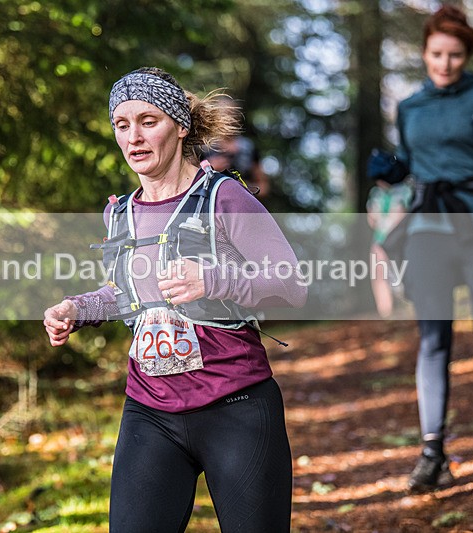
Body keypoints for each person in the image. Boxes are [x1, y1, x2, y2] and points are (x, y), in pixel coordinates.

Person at [43, 67, 307, 532]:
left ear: (180, 125)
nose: (134, 137)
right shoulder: (119, 212)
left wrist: (214, 279)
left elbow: (291, 284)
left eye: (148, 121)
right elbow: (126, 294)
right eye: (122, 125)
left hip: (236, 405)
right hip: (150, 410)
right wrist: (76, 309)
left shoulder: (224, 198)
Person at [368, 6, 473, 492]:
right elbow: (410, 162)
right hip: (428, 229)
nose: (444, 64)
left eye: (455, 55)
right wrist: (393, 169)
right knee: (433, 339)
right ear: (424, 52)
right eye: (437, 54)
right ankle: (432, 453)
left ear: (468, 56)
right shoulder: (410, 106)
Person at [365, 156, 412, 317]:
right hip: (379, 240)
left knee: (402, 273)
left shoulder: (404, 190)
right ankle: (386, 312)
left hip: (400, 239)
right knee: (379, 274)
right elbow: (371, 219)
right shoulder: (375, 193)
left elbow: (403, 214)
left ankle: (407, 308)